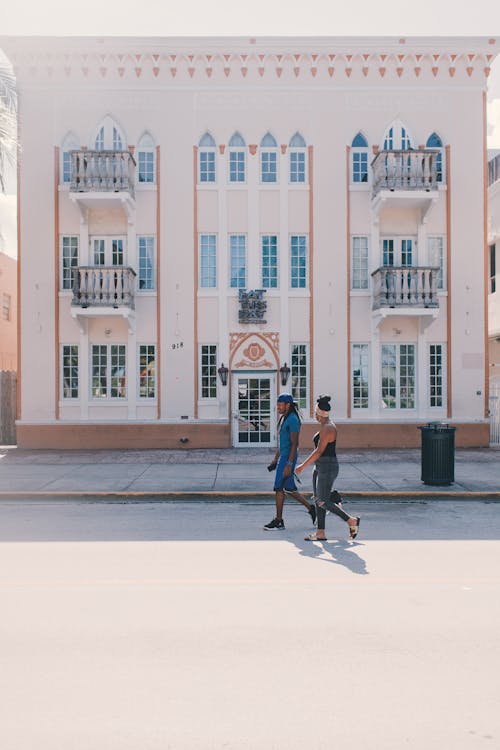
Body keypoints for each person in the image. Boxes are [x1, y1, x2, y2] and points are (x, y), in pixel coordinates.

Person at [295, 395, 360, 541]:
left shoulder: (329, 428)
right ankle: (320, 533)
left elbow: (319, 451)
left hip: (328, 467)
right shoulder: (325, 426)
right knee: (318, 499)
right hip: (320, 467)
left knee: (322, 501)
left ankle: (351, 520)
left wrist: (302, 466)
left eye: (316, 413)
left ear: (320, 414)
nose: (315, 416)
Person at [263, 393, 316, 530]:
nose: (278, 407)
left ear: (288, 405)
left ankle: (279, 520)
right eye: (278, 404)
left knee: (279, 488)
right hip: (284, 456)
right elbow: (284, 443)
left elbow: (294, 444)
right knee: (289, 489)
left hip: (288, 458)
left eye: (281, 405)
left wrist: (288, 464)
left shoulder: (292, 419)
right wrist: (275, 459)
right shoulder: (285, 418)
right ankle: (311, 509)